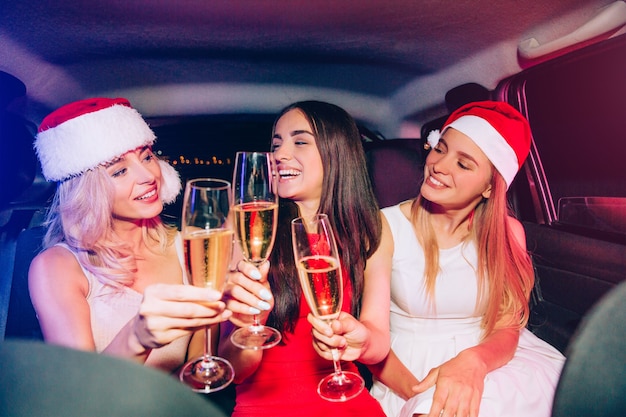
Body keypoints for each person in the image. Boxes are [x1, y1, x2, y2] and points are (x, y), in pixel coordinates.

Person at [309, 101, 566, 417]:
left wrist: (474, 362)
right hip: (407, 374)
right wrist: (426, 395)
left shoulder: (509, 232)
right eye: (440, 149)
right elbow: (373, 337)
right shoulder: (385, 227)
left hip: (496, 362)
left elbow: (508, 326)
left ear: (489, 186)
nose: (439, 165)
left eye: (463, 164)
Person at [29, 97, 232, 373]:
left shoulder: (187, 248)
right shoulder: (57, 267)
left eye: (147, 156)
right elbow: (78, 393)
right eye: (120, 170)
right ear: (89, 192)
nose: (148, 175)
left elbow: (199, 372)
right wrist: (136, 337)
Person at [219, 100, 389, 417]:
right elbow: (234, 369)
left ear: (337, 151)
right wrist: (248, 324)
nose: (280, 154)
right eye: (276, 144)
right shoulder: (251, 225)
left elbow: (379, 339)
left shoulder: (368, 228)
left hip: (346, 398)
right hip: (264, 407)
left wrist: (360, 340)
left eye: (299, 141)